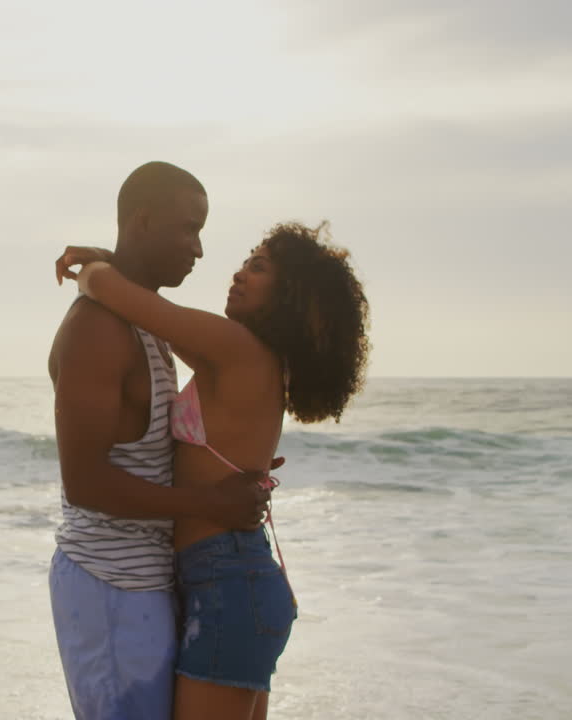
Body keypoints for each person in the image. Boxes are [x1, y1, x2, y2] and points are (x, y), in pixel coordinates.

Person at [56, 220, 371, 720]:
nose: (240, 273)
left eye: (260, 267)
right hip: (233, 581)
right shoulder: (246, 358)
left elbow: (120, 297)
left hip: (227, 583)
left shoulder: (237, 350)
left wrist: (93, 264)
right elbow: (150, 313)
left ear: (289, 295)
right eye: (247, 260)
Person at [47, 162, 276, 720]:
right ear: (144, 220)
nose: (199, 250)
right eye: (188, 228)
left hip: (149, 583)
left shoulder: (144, 320)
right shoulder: (97, 329)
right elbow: (85, 482)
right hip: (109, 584)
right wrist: (212, 503)